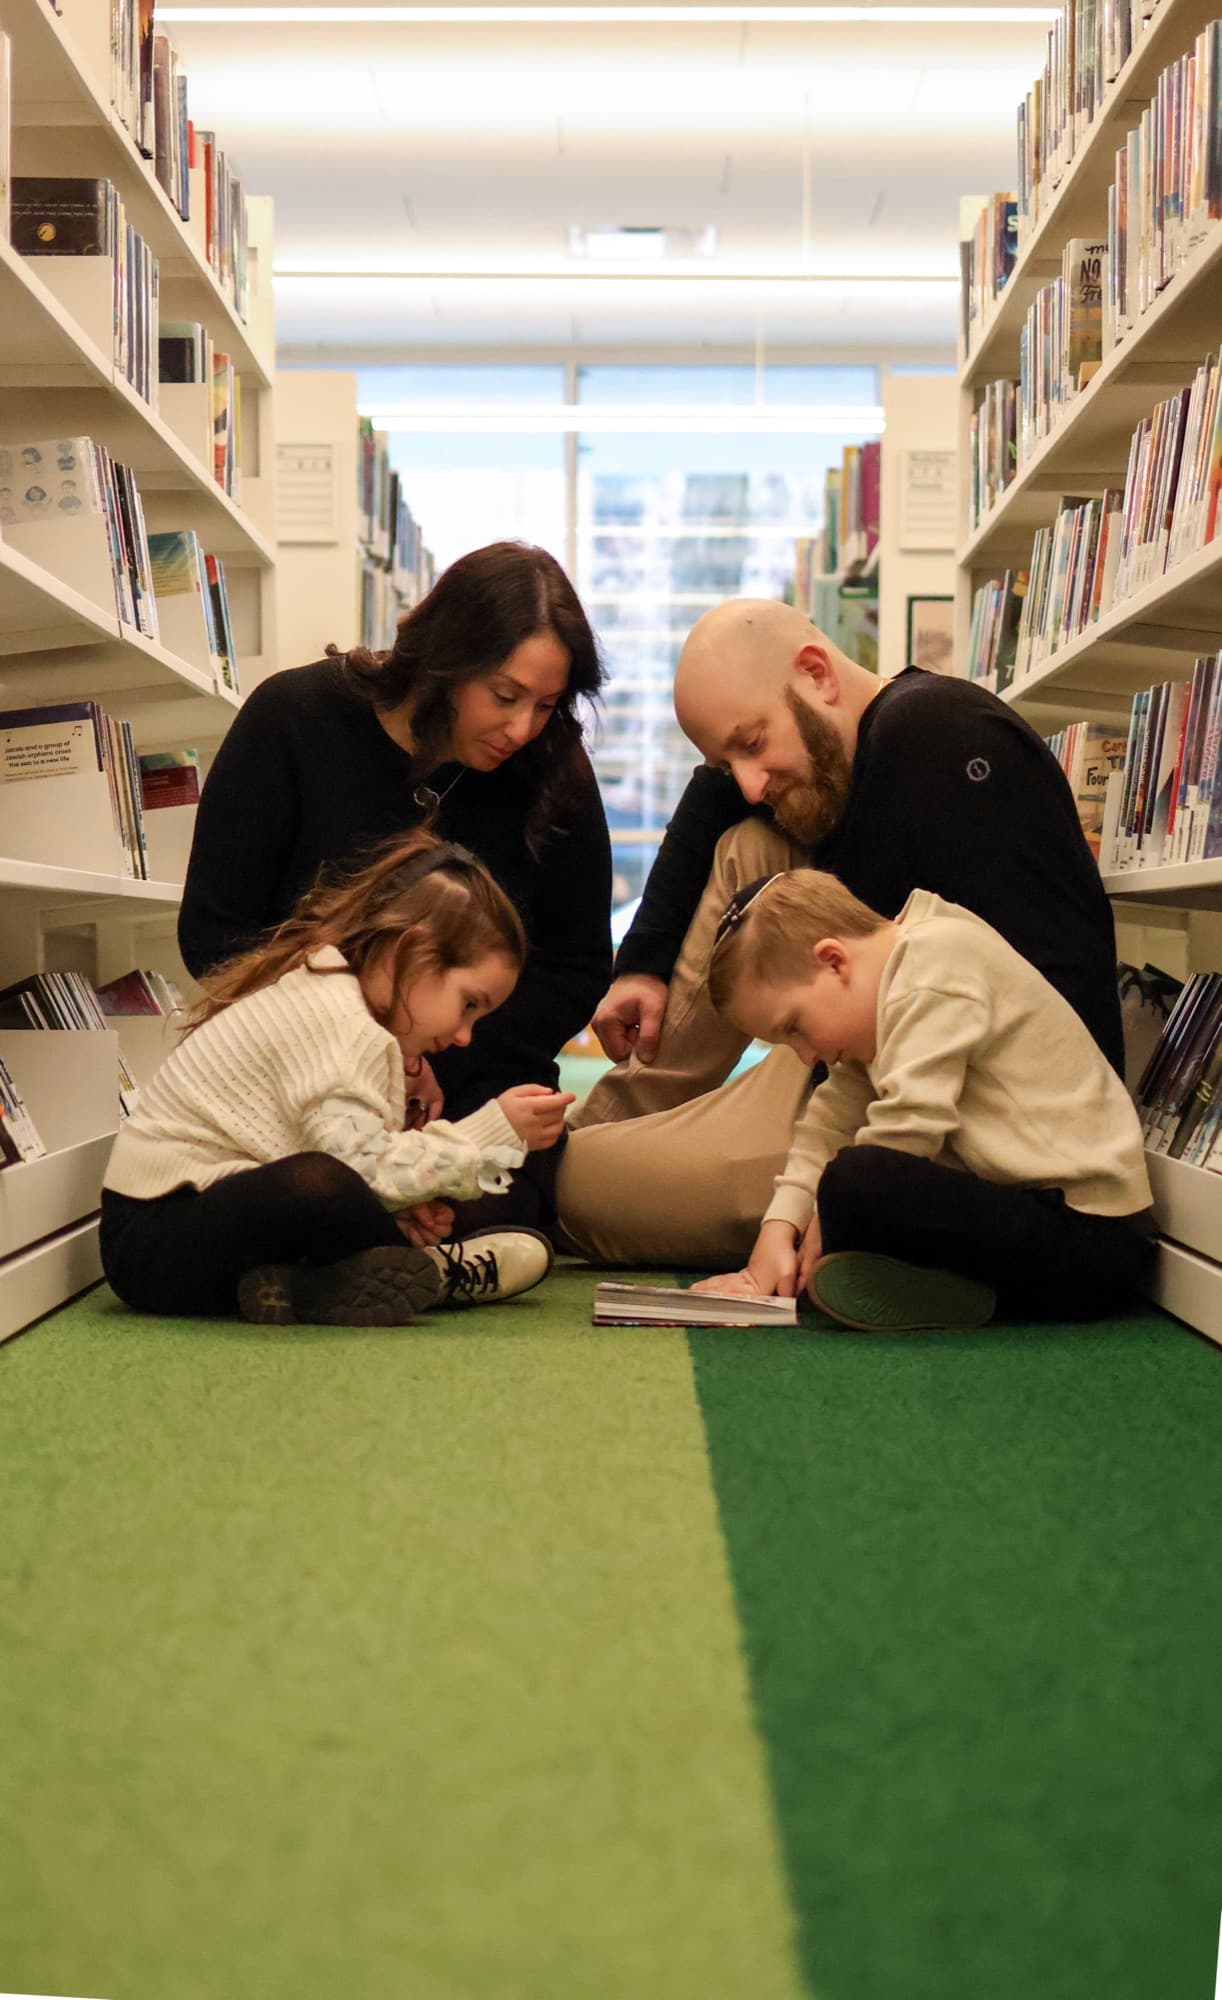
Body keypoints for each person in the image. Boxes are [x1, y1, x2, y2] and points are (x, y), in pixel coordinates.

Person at [558, 597, 1125, 1269]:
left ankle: (548, 1170)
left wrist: (835, 1200)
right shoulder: (851, 740)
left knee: (576, 1188)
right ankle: (602, 1129)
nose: (746, 781)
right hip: (859, 1044)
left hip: (955, 1101)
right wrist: (642, 967)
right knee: (747, 842)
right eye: (727, 759)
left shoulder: (937, 743)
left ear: (816, 675)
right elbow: (716, 796)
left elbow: (1010, 1019)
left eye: (752, 744)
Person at [178, 541, 612, 1236]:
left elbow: (578, 963)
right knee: (307, 1194)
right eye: (504, 696)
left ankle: (367, 1258)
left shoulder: (551, 764)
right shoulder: (293, 718)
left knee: (482, 1206)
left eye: (547, 705)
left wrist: (449, 1037)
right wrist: (375, 1044)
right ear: (446, 658)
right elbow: (216, 932)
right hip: (294, 1079)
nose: (522, 728)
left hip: (472, 1080)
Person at [101, 833, 574, 1326]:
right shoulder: (341, 1023)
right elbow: (359, 1168)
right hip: (154, 1241)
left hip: (181, 1233)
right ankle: (432, 1275)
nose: (463, 1036)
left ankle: (311, 1287)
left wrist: (395, 1203)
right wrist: (489, 1131)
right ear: (410, 951)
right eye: (469, 1004)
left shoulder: (338, 997)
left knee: (353, 1188)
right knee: (324, 1184)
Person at [689, 868, 1153, 1331]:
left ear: (833, 960)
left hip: (1093, 1239)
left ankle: (975, 1294)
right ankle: (947, 1291)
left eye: (794, 1027)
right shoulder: (883, 1000)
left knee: (856, 1180)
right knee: (849, 1179)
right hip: (1033, 1216)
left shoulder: (934, 965)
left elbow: (909, 1127)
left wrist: (819, 1228)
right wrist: (777, 1230)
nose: (805, 1053)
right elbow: (827, 1123)